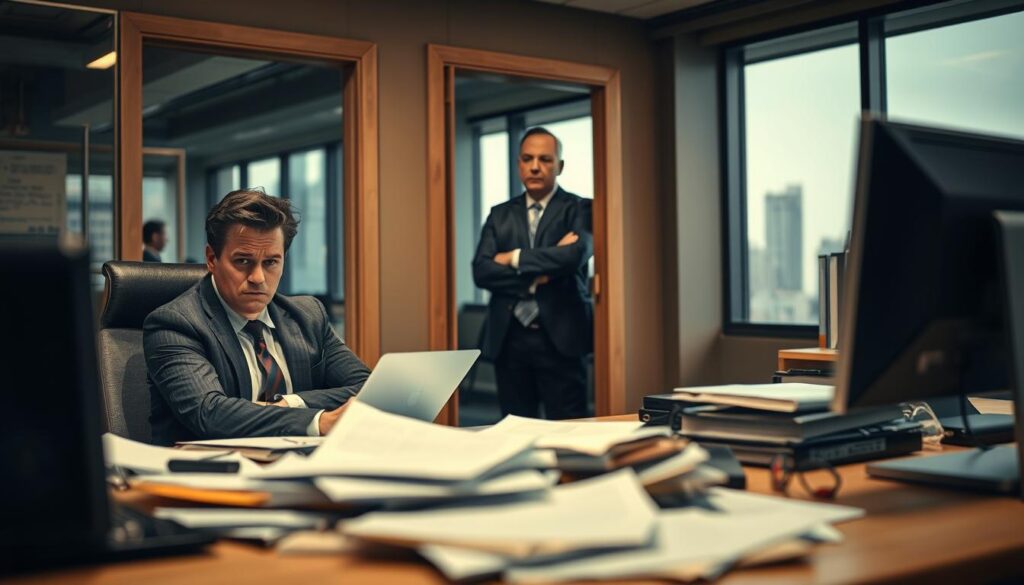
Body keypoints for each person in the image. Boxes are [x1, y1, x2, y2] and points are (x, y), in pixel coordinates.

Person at [144, 189, 369, 445]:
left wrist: (289, 403)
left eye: (271, 262)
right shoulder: (175, 324)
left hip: (302, 464)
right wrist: (316, 421)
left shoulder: (308, 316)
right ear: (211, 259)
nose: (258, 278)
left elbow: (366, 388)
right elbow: (210, 413)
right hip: (208, 473)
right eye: (242, 261)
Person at [472, 127, 593, 420]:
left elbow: (574, 256)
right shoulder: (499, 214)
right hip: (509, 339)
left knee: (568, 429)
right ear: (519, 165)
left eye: (545, 159)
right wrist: (539, 274)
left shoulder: (580, 208)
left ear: (559, 166)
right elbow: (482, 271)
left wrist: (512, 258)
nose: (535, 166)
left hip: (562, 338)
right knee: (513, 427)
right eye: (528, 158)